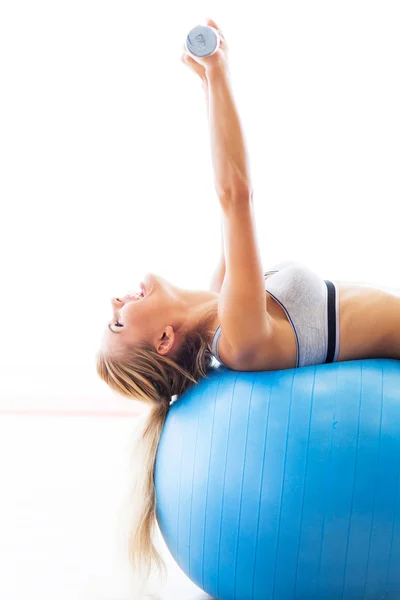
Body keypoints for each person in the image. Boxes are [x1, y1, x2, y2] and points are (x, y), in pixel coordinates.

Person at [95, 18, 400, 584]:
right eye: (118, 321)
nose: (116, 298)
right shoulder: (237, 339)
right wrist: (219, 71)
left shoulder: (220, 300)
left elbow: (224, 203)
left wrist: (205, 85)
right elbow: (236, 194)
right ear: (163, 342)